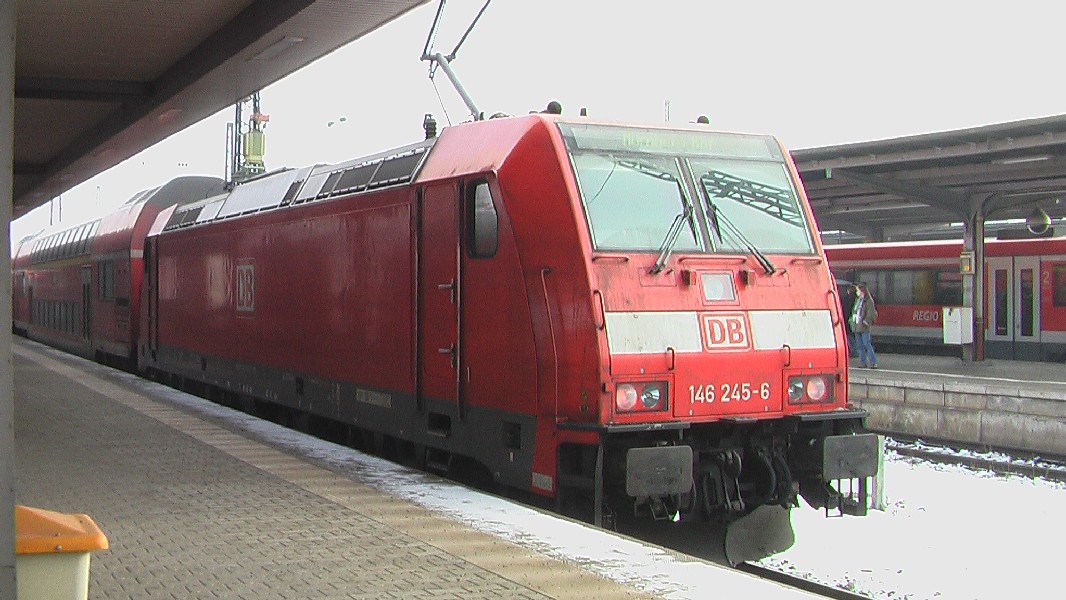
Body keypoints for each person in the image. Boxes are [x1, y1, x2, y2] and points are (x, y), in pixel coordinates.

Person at [851, 283, 878, 368]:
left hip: (864, 326)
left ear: (862, 291)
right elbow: (854, 311)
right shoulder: (858, 300)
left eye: (857, 290)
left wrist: (866, 321)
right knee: (860, 346)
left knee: (867, 344)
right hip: (857, 325)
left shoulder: (869, 301)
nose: (856, 292)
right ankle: (863, 362)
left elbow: (871, 312)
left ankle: (873, 362)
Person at [839, 281, 857, 358]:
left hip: (848, 318)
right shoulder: (855, 298)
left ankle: (854, 351)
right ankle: (854, 350)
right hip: (851, 319)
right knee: (851, 335)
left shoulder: (847, 298)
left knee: (849, 335)